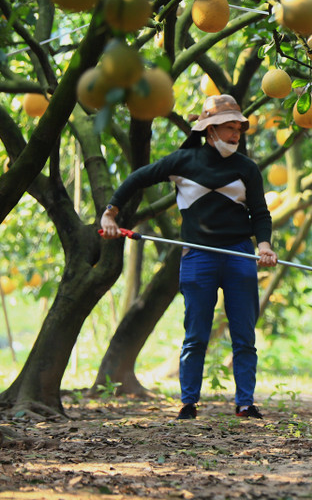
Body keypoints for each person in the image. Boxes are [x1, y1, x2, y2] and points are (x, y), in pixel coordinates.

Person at [100, 94, 278, 420]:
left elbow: (260, 213)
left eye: (239, 128)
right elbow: (137, 178)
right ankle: (188, 402)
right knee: (196, 334)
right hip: (198, 256)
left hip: (239, 253)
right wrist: (111, 212)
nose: (236, 134)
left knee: (244, 336)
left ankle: (245, 402)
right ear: (209, 129)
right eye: (228, 127)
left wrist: (264, 245)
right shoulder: (182, 161)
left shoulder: (247, 168)